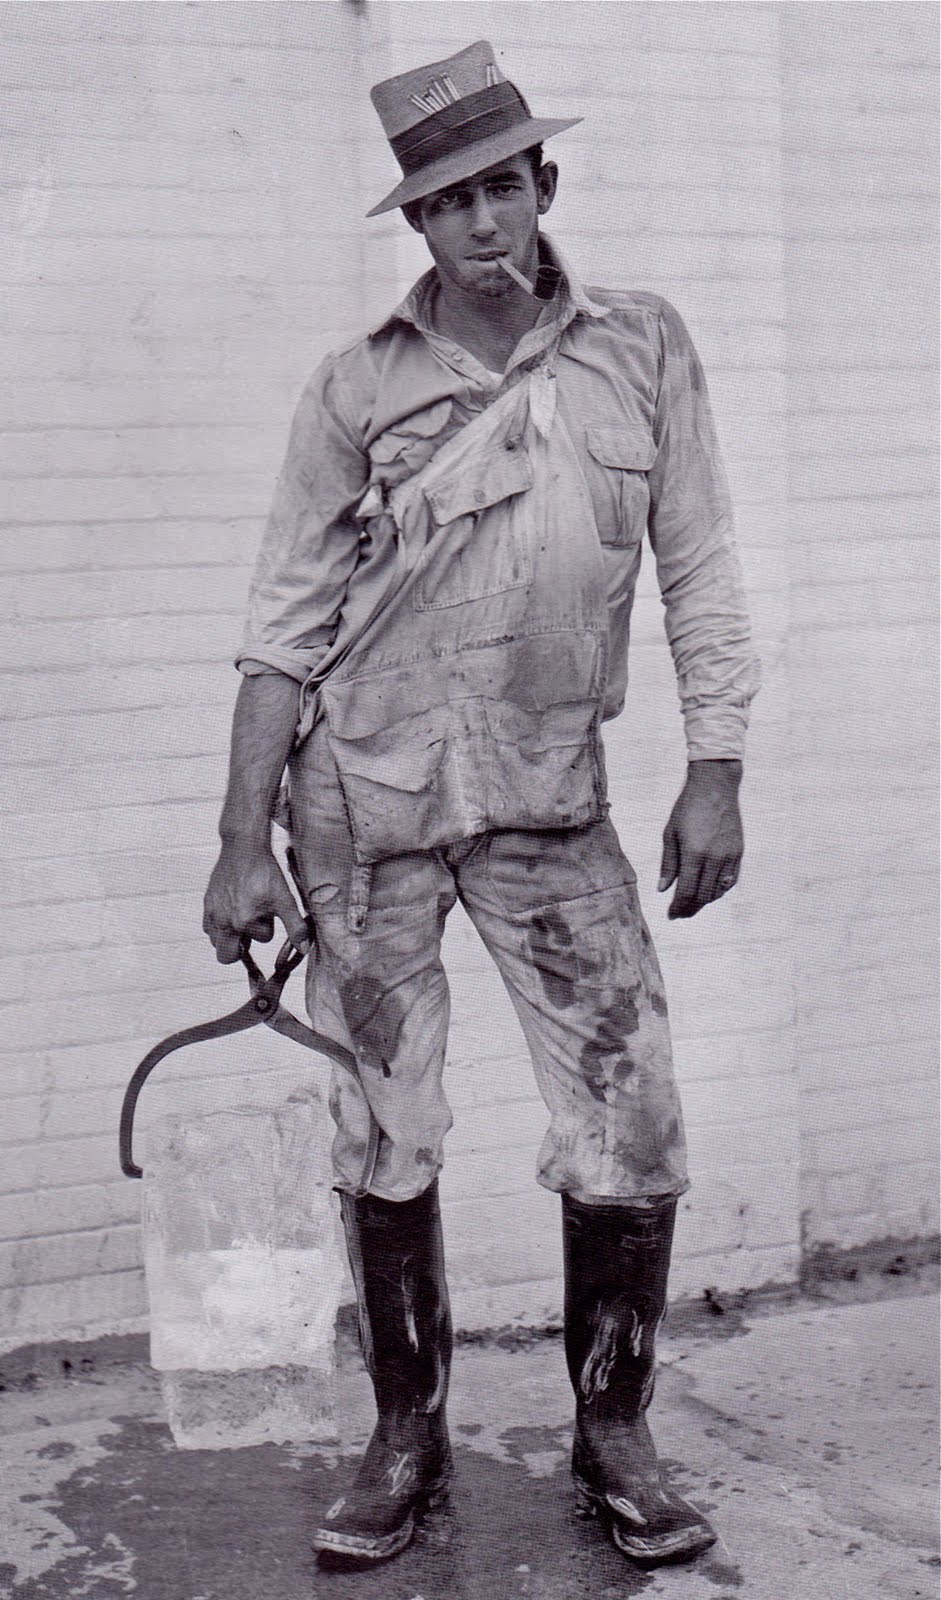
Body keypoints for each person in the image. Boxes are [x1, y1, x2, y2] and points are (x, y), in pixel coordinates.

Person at [202, 40, 759, 1571]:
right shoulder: (355, 386)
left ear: (543, 184)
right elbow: (280, 624)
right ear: (417, 223)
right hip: (363, 812)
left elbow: (700, 564)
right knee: (384, 1126)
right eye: (447, 202)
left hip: (545, 804)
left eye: (501, 186)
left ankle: (613, 1429)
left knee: (630, 1116)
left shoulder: (641, 347)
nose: (481, 222)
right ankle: (406, 1436)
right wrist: (240, 840)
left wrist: (716, 765)